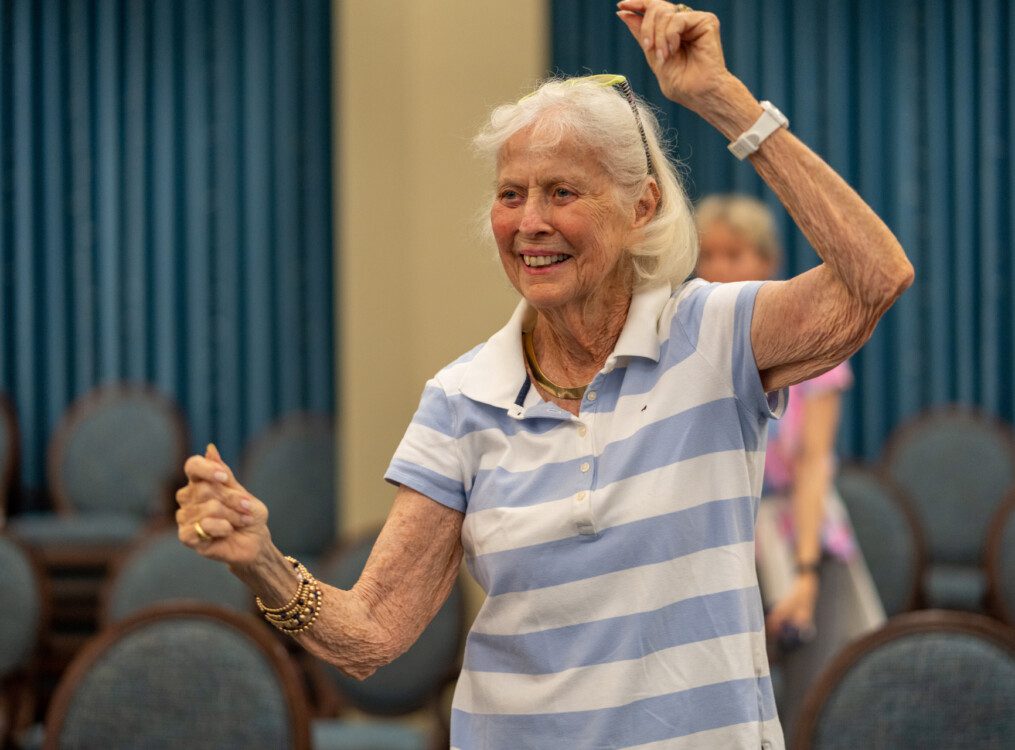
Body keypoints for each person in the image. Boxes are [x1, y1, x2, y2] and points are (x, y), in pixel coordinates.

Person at [174, 2, 913, 747]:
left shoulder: (714, 333)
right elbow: (370, 637)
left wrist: (721, 99)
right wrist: (261, 561)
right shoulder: (459, 399)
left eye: (562, 193)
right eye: (509, 195)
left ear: (639, 209)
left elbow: (875, 276)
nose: (530, 221)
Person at [696, 194, 887, 743]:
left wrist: (802, 576)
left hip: (796, 529)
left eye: (734, 255)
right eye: (708, 255)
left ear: (767, 263)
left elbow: (811, 469)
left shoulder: (815, 345)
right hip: (721, 531)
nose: (718, 268)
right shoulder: (691, 345)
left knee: (822, 689)